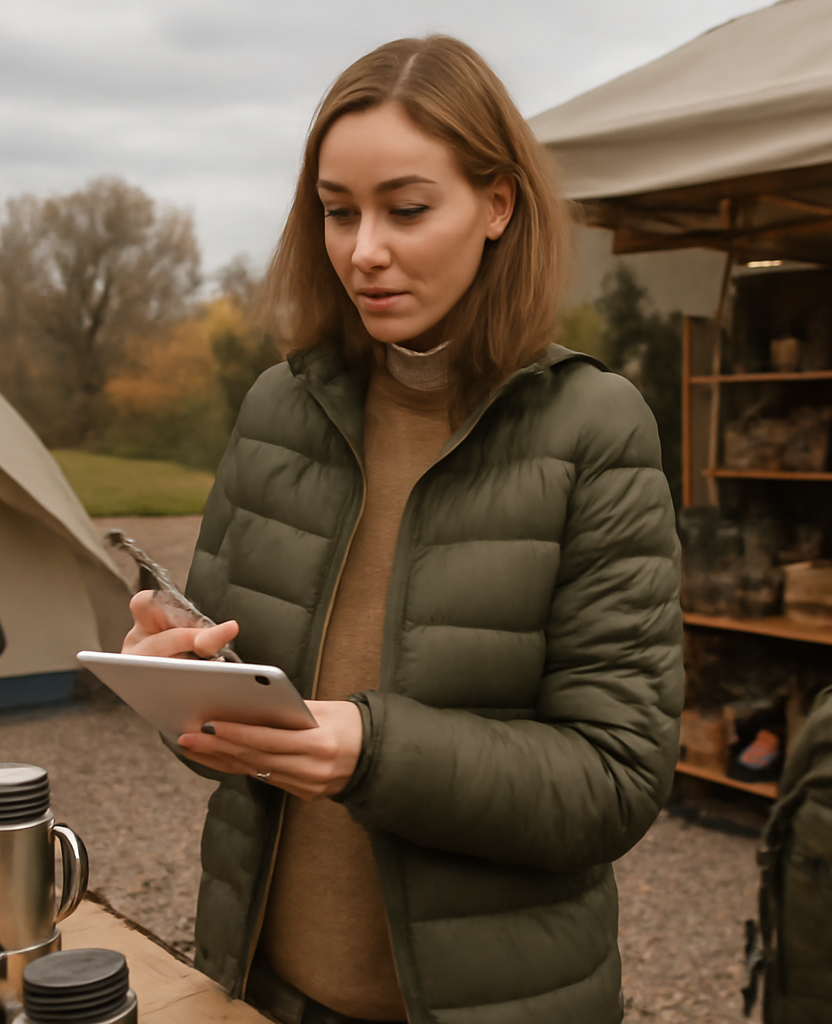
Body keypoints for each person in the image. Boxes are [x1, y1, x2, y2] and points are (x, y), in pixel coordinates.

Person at [122, 35, 682, 1024]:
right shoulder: (276, 410)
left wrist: (374, 750)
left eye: (407, 209)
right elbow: (237, 727)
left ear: (498, 204)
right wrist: (178, 684)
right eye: (338, 212)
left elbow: (614, 779)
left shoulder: (593, 428)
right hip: (264, 984)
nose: (362, 249)